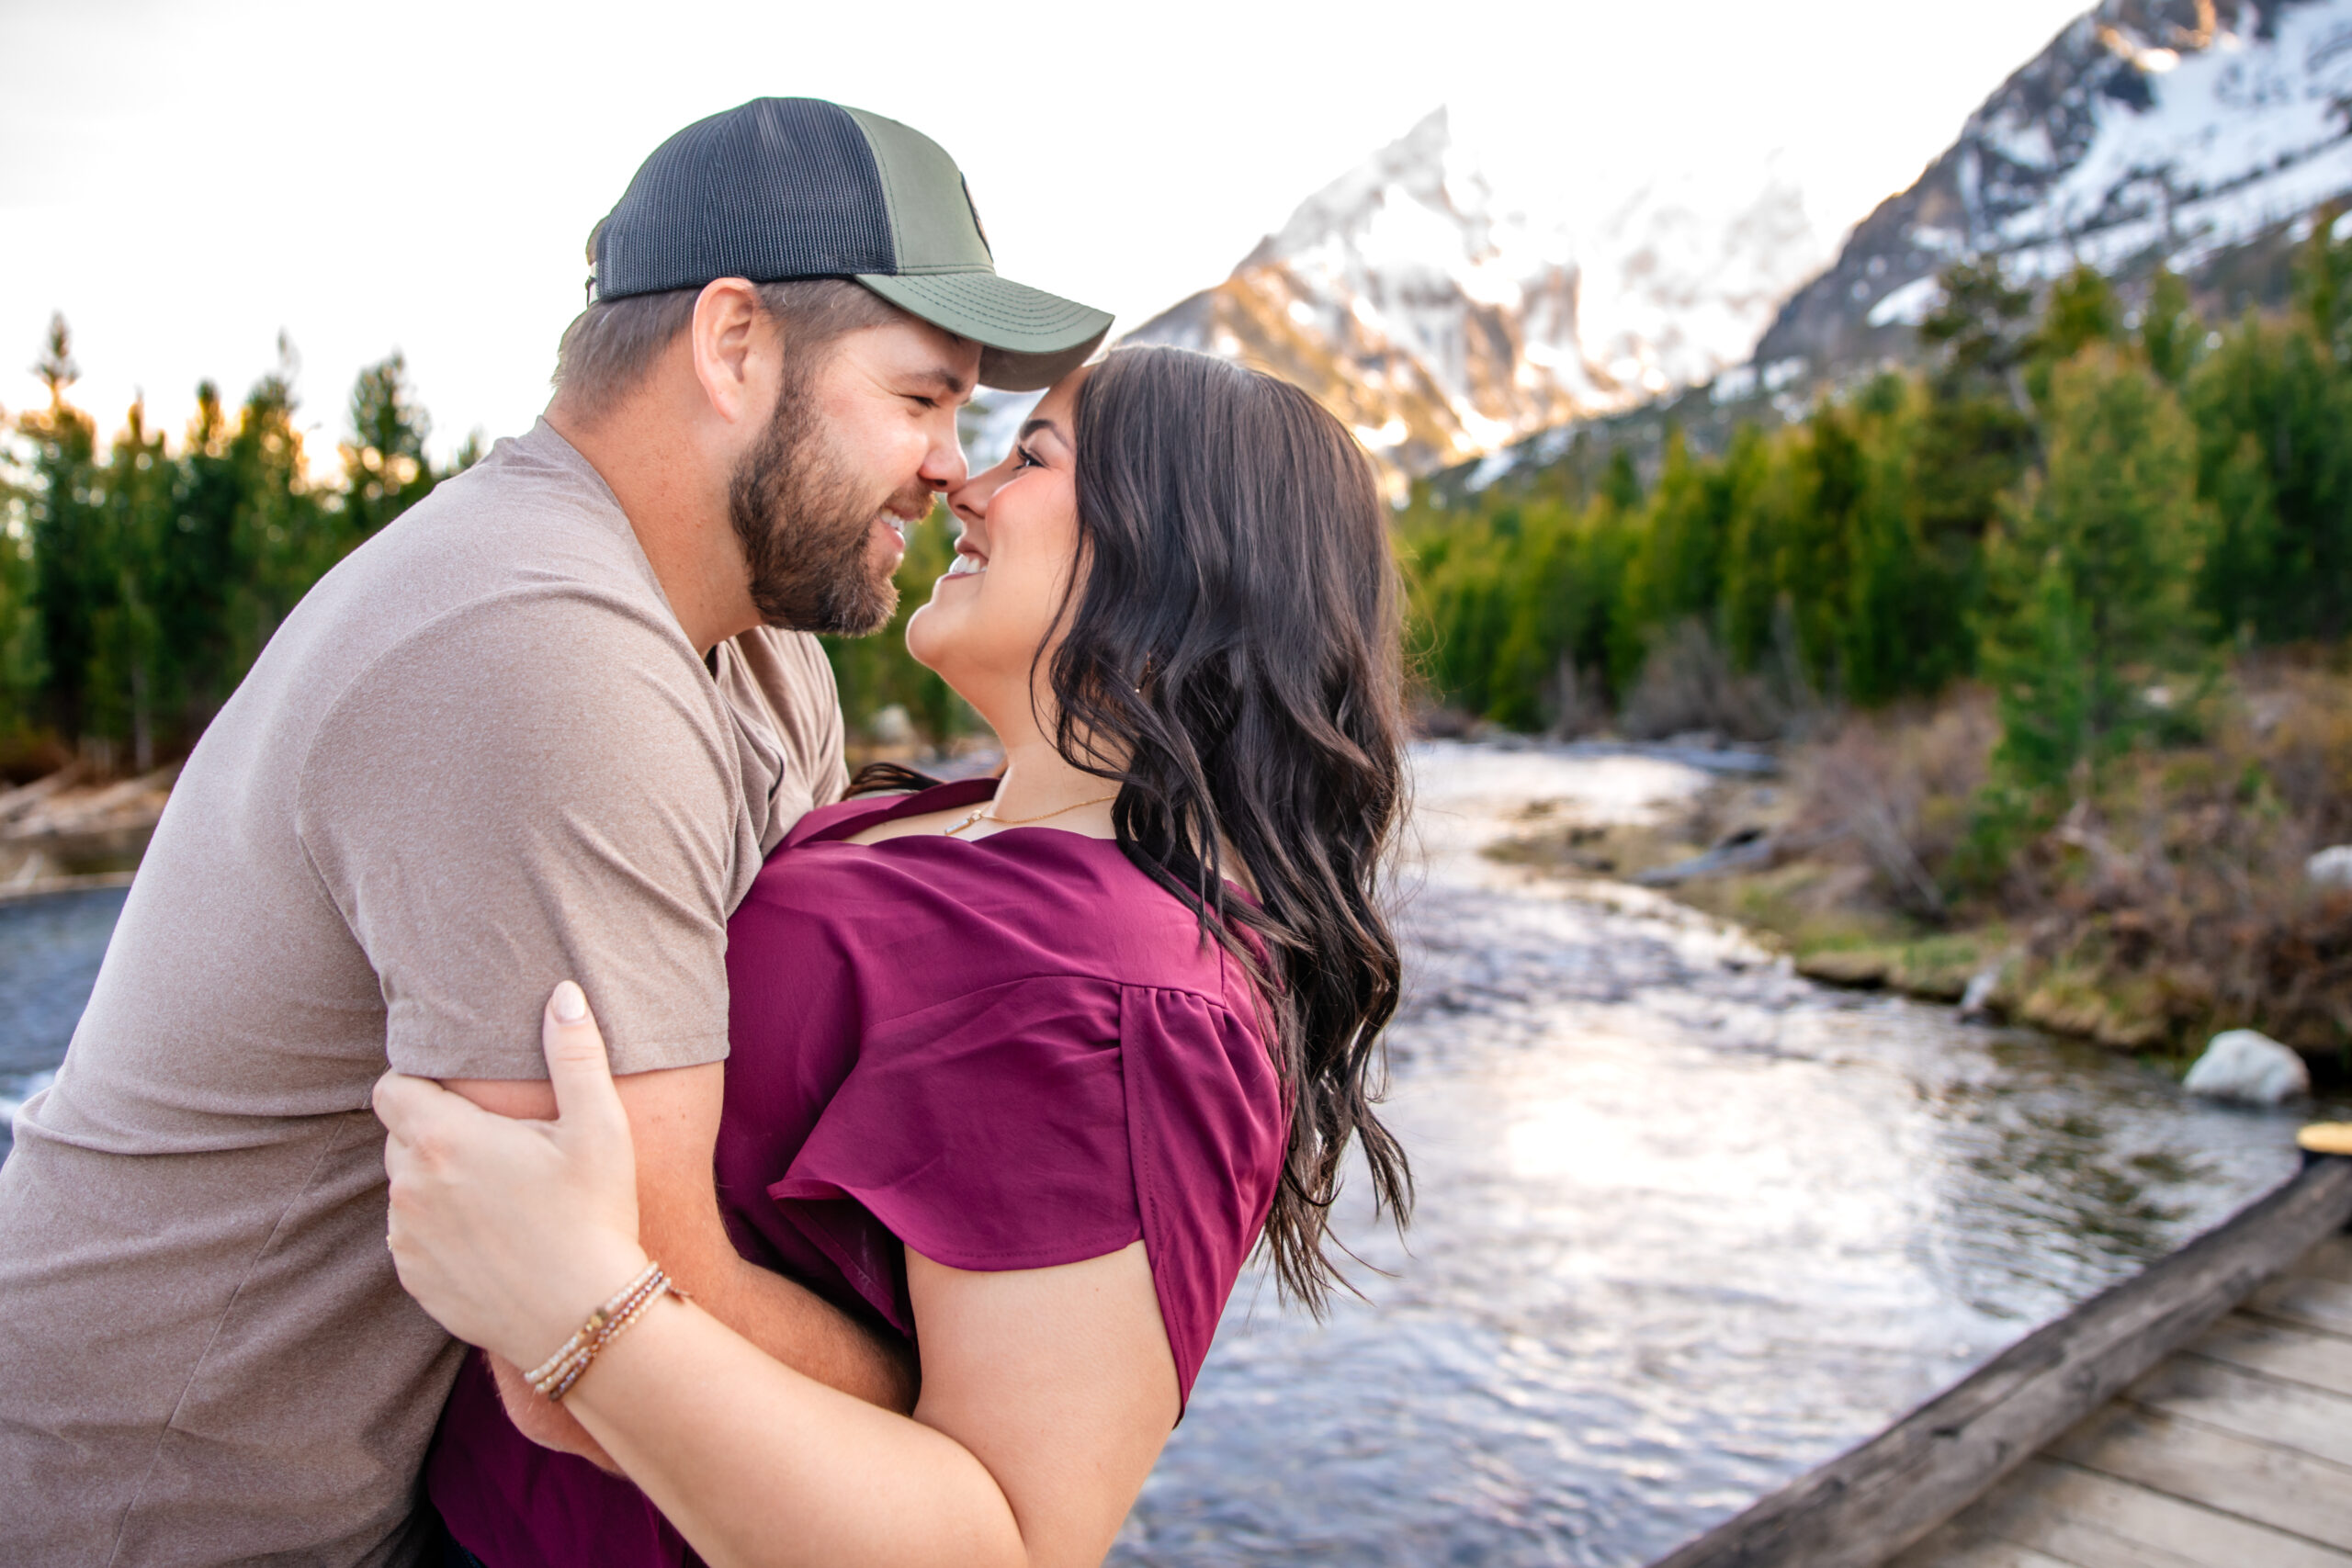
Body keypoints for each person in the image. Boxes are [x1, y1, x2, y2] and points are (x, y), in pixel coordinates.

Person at [0, 97, 1110, 1567]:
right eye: (921, 399)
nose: (951, 468)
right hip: (158, 1520)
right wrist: (996, 1433)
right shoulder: (536, 650)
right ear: (733, 347)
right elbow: (615, 1312)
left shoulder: (759, 652)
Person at [379, 345, 1415, 1568]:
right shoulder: (949, 819)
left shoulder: (1134, 999)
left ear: (1184, 555)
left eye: (1032, 456)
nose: (965, 489)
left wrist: (577, 1316)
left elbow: (1008, 1541)